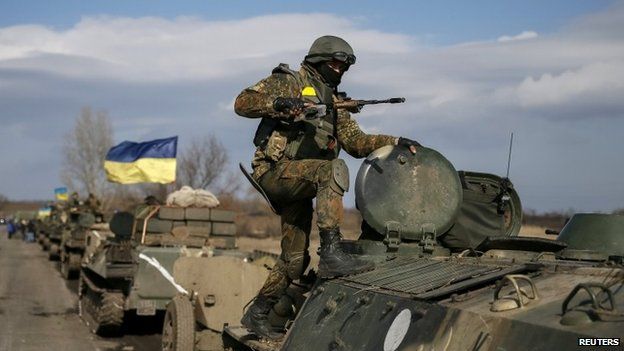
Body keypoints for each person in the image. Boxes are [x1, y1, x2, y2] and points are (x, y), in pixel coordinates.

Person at [234, 35, 421, 339]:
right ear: (319, 60)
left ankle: (257, 314)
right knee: (332, 168)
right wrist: (279, 104)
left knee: (294, 261)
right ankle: (332, 249)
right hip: (275, 173)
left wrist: (396, 142)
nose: (340, 69)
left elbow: (357, 143)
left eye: (344, 65)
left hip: (305, 179)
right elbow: (242, 102)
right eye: (335, 63)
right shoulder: (289, 82)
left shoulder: (335, 103)